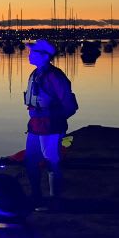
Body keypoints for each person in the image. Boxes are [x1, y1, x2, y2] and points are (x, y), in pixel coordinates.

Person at [24, 40, 78, 210]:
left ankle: (55, 200)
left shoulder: (55, 76)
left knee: (51, 161)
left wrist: (56, 120)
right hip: (35, 125)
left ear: (44, 56)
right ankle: (36, 197)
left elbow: (69, 103)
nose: (29, 54)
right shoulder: (35, 74)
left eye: (33, 52)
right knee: (31, 161)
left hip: (50, 126)